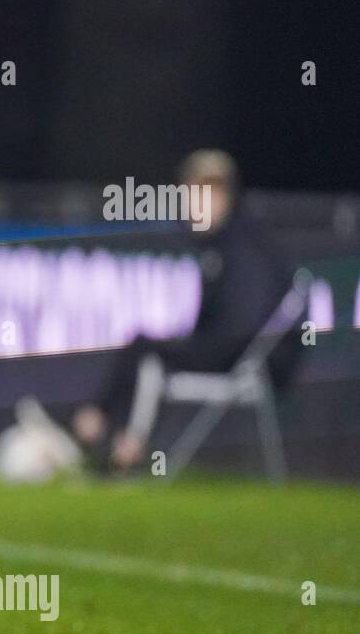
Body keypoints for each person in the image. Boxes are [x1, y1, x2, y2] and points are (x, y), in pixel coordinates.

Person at [71, 150, 299, 472]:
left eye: (197, 195)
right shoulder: (225, 245)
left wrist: (203, 346)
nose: (190, 206)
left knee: (145, 349)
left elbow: (244, 323)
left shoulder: (244, 248)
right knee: (147, 352)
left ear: (220, 195)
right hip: (236, 352)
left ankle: (104, 434)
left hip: (246, 360)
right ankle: (111, 438)